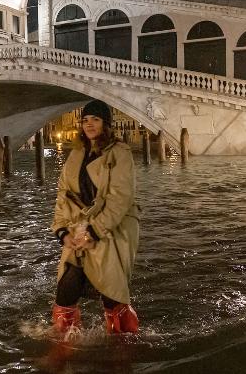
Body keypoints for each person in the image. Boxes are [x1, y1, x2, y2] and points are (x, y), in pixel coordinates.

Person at [50, 99, 140, 337]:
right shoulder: (76, 154)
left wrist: (94, 232)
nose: (89, 125)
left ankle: (123, 343)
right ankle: (64, 343)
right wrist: (62, 231)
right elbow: (63, 194)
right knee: (67, 286)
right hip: (79, 228)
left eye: (96, 120)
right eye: (85, 120)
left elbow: (120, 198)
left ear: (106, 124)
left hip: (110, 229)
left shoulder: (120, 153)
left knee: (112, 293)